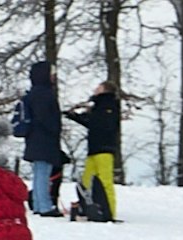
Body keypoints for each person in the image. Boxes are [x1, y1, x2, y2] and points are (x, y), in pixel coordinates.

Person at [66, 81, 121, 220]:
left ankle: (110, 212)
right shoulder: (98, 106)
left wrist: (85, 117)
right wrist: (75, 117)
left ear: (105, 90)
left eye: (99, 87)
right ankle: (88, 207)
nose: (95, 89)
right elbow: (92, 123)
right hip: (94, 148)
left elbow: (101, 124)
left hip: (104, 149)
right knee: (87, 179)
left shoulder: (109, 105)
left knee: (105, 181)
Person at [18, 62, 65, 217]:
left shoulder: (33, 93)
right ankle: (44, 205)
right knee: (43, 173)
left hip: (35, 140)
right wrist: (55, 129)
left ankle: (39, 204)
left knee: (40, 172)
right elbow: (46, 117)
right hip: (44, 140)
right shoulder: (45, 94)